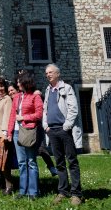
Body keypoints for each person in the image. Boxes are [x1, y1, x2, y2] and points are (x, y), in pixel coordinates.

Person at [43, 64, 83, 206]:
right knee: (59, 163)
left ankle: (76, 194)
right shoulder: (48, 90)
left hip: (64, 130)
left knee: (72, 161)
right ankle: (63, 191)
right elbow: (45, 110)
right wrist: (45, 125)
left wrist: (66, 126)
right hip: (52, 131)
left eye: (51, 72)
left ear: (58, 74)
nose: (48, 75)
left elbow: (73, 109)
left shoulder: (66, 88)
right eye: (46, 73)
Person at [8, 71, 43, 200]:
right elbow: (12, 114)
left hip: (29, 131)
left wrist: (24, 117)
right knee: (22, 163)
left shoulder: (35, 96)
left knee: (31, 162)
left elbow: (39, 114)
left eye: (19, 81)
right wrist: (10, 131)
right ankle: (23, 191)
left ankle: (33, 192)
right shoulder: (17, 97)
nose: (17, 84)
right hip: (17, 132)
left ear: (26, 82)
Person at [0, 77, 13, 195]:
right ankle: (2, 183)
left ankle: (9, 185)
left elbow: (7, 116)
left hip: (2, 134)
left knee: (4, 161)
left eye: (1, 86)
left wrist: (5, 133)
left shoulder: (7, 99)